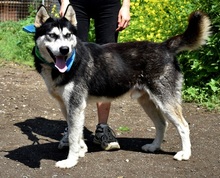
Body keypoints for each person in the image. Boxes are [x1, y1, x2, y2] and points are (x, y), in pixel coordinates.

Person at [58, 0, 130, 151]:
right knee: (74, 57)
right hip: (76, 3)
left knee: (108, 61)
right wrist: (64, 2)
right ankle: (73, 131)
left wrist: (126, 5)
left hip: (108, 4)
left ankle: (102, 129)